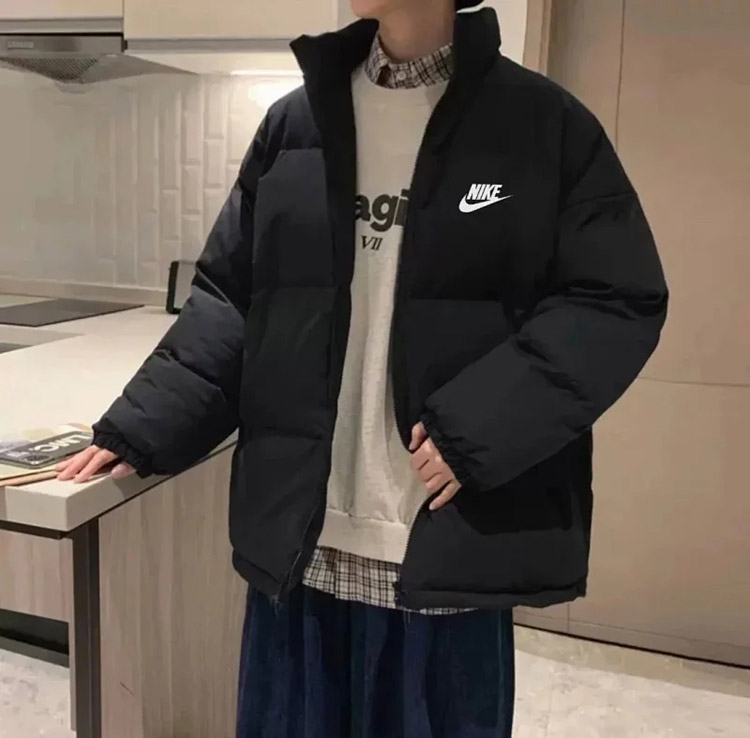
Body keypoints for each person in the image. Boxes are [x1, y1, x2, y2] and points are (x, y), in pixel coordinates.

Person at [58, 0, 668, 735]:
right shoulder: (295, 124)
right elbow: (234, 299)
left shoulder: (544, 126)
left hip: (444, 550)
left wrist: (481, 428)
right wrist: (145, 424)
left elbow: (615, 298)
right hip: (304, 545)